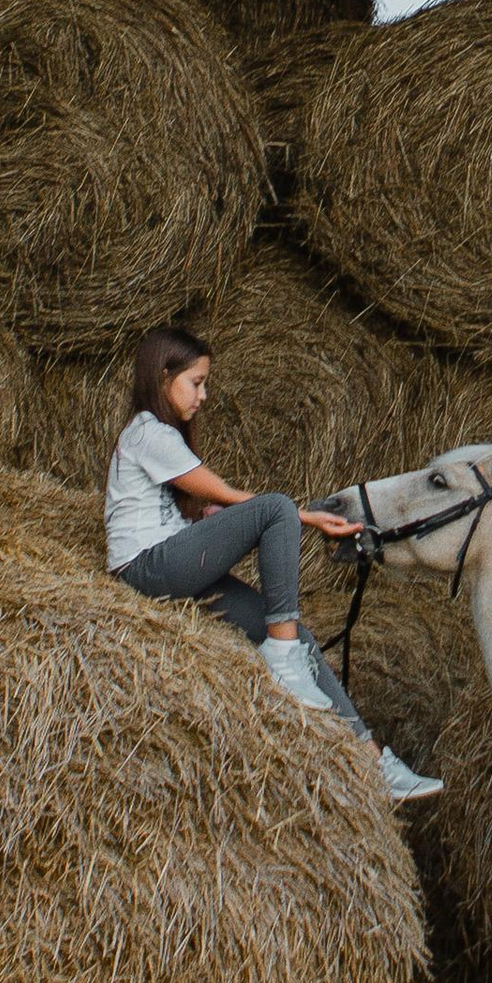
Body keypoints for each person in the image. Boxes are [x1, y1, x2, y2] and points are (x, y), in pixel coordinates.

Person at [105, 325, 442, 804]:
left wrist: (207, 523)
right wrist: (305, 517)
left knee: (298, 637)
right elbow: (227, 494)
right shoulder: (148, 431)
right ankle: (282, 661)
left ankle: (373, 764)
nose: (204, 395)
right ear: (163, 377)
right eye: (196, 382)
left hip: (171, 569)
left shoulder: (159, 437)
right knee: (275, 508)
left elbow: (191, 509)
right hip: (145, 569)